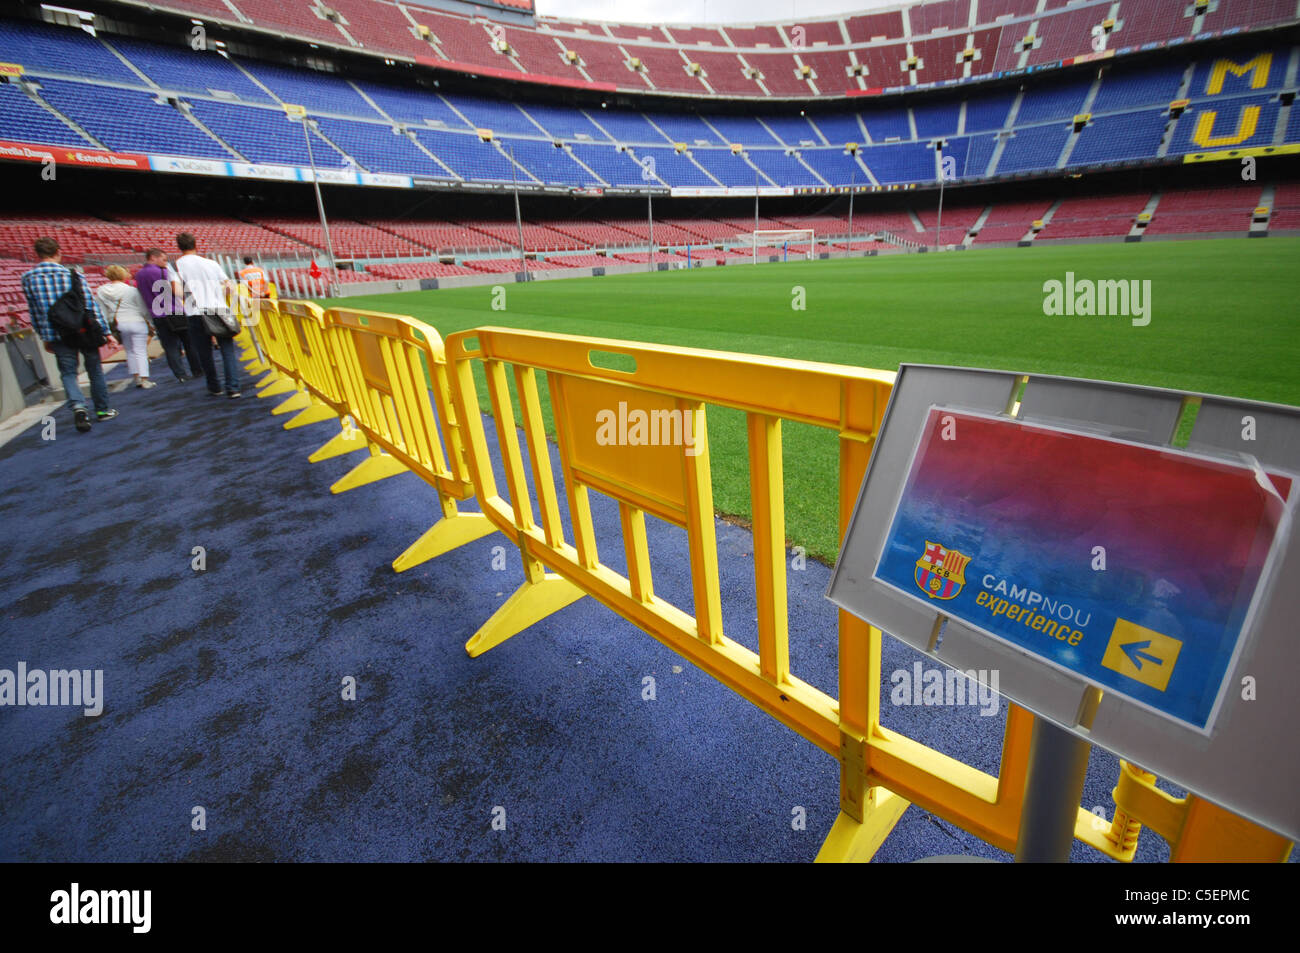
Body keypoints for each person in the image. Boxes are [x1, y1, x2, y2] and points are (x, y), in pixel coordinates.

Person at [21, 236, 116, 433]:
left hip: (57, 333)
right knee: (94, 370)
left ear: (37, 255)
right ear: (58, 252)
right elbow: (90, 306)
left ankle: (79, 407)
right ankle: (102, 410)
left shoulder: (28, 278)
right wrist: (106, 332)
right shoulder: (73, 274)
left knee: (68, 373)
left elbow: (34, 311)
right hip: (83, 330)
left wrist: (44, 336)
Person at [173, 232, 243, 399]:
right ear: (195, 244)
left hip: (196, 312)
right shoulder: (211, 263)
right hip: (219, 309)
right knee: (227, 350)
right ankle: (233, 387)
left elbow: (177, 291)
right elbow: (229, 287)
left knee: (204, 353)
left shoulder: (175, 266)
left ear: (179, 247)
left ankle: (214, 387)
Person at [136, 248, 200, 383]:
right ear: (153, 257)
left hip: (157, 314)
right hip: (174, 310)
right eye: (163, 259)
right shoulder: (163, 272)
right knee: (189, 343)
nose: (165, 263)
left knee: (170, 347)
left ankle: (181, 375)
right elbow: (176, 289)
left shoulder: (139, 275)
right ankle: (197, 370)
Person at [96, 265, 155, 389]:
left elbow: (102, 311)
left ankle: (136, 378)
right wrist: (150, 322)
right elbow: (143, 309)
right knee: (140, 351)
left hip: (118, 324)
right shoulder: (131, 290)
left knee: (129, 351)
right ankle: (145, 379)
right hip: (136, 321)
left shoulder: (101, 291)